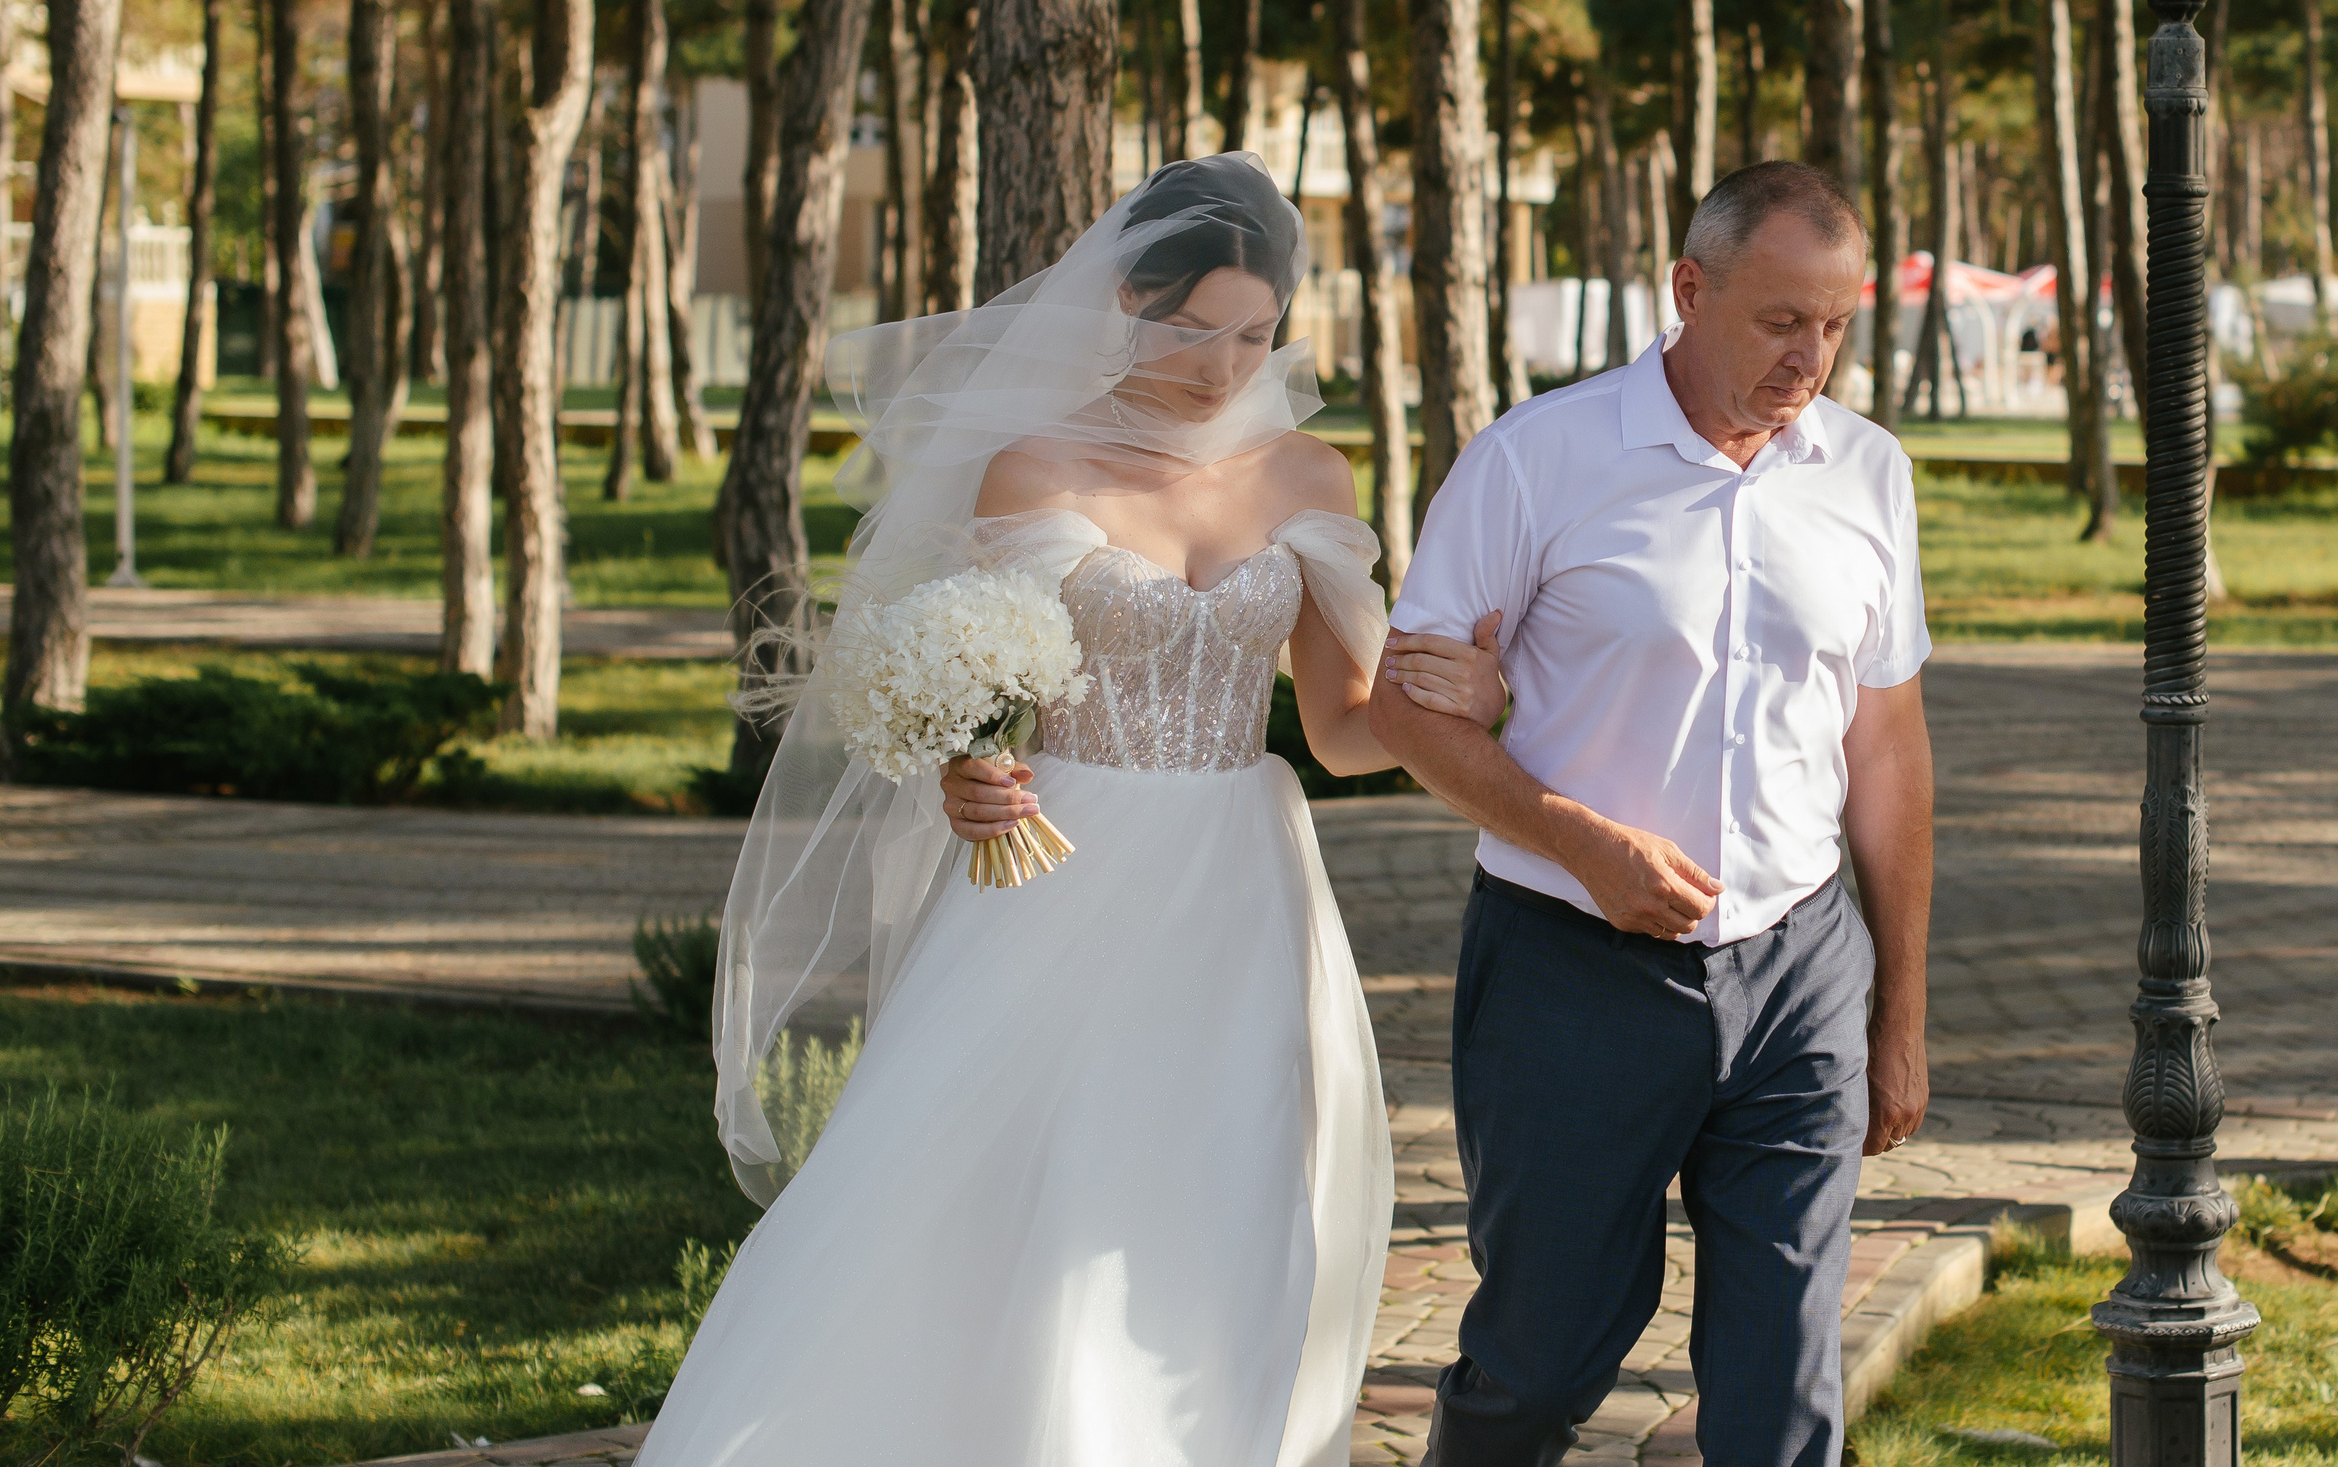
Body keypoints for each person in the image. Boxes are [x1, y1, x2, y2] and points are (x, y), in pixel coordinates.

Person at [641, 152, 1508, 1467]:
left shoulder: (1308, 478)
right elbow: (979, 683)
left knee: (1226, 1179)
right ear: (1128, 304)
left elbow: (1339, 733)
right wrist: (963, 769)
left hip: (1242, 879)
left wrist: (1463, 704)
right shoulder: (1035, 468)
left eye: (1256, 335)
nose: (1224, 365)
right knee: (1004, 1170)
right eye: (1194, 328)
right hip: (1060, 865)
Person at [1371, 161, 1937, 1467]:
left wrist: (1899, 1010)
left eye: (1836, 324)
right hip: (1571, 971)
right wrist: (1581, 841)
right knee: (1539, 1365)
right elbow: (1406, 710)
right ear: (1689, 289)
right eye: (1781, 320)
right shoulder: (1537, 459)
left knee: (1783, 1393)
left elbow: (1888, 748)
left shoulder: (1869, 472)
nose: (1811, 357)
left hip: (1801, 972)